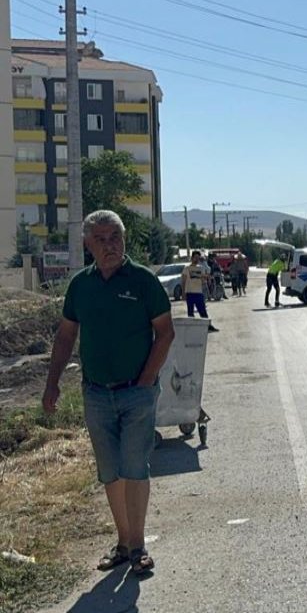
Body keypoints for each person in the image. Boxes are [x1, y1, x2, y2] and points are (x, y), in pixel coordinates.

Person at [44, 210, 175, 576]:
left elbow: (165, 333)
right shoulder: (80, 286)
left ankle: (138, 546)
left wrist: (148, 378)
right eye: (99, 239)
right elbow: (66, 335)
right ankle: (122, 542)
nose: (109, 245)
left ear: (124, 239)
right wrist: (52, 381)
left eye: (114, 236)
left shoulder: (144, 281)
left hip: (137, 393)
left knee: (134, 466)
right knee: (109, 471)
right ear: (87, 245)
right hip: (96, 394)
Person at [182, 251, 219, 332]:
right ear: (192, 258)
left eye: (198, 258)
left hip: (198, 292)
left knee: (202, 311)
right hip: (189, 292)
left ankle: (208, 326)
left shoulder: (201, 268)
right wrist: (183, 293)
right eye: (195, 258)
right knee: (190, 312)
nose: (197, 259)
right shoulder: (187, 268)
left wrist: (206, 278)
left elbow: (203, 280)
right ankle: (191, 328)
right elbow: (183, 281)